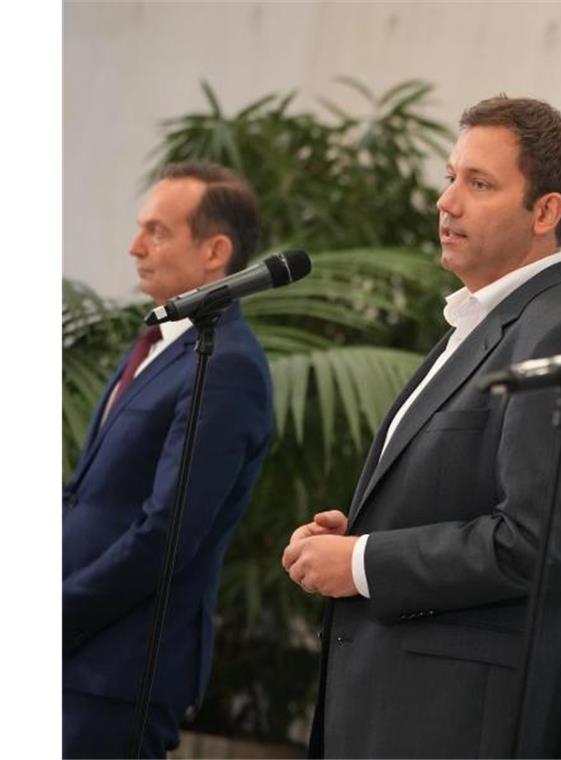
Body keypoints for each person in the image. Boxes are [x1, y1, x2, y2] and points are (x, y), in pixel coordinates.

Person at [282, 96, 561, 758]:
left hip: (461, 729)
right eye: (451, 177)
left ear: (545, 212)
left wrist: (361, 563)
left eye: (479, 184)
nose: (447, 201)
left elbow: (540, 545)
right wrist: (356, 537)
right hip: (397, 715)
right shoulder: (478, 327)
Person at [63, 163, 274, 757]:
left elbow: (164, 532)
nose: (135, 247)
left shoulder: (225, 365)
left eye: (156, 231)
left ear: (215, 251)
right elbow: (88, 494)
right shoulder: (157, 344)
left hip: (117, 670)